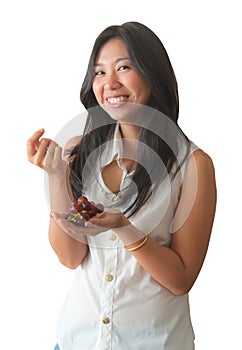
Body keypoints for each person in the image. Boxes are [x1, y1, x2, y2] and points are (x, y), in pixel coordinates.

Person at [27, 21, 217, 350]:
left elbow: (181, 278)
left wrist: (125, 228)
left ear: (152, 74)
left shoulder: (193, 165)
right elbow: (71, 256)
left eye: (124, 67)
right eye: (99, 72)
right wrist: (57, 176)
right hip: (77, 341)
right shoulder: (80, 152)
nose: (109, 83)